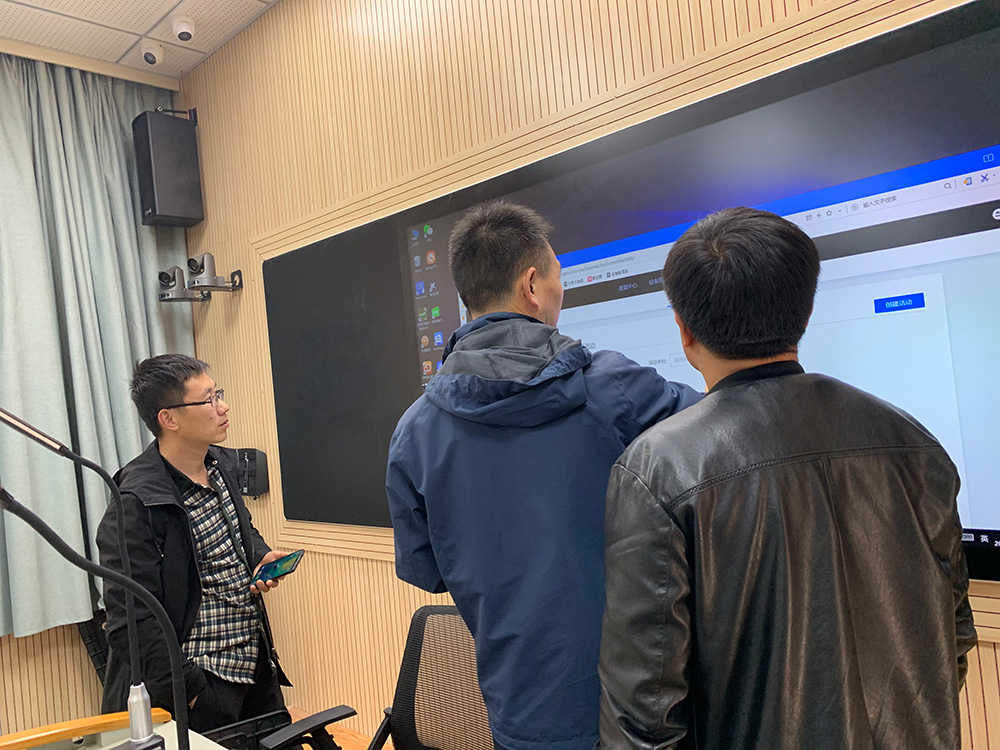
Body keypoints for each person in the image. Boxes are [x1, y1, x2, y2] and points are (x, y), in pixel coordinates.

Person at [598, 207, 977, 750]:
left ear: (683, 328)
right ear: (806, 311)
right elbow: (953, 635)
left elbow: (642, 721)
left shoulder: (657, 470)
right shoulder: (915, 442)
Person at [386, 201, 701, 750]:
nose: (561, 291)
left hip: (520, 713)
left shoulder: (413, 432)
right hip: (639, 710)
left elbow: (429, 570)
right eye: (558, 277)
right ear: (532, 285)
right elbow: (726, 425)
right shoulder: (614, 387)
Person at [97, 354, 291, 733]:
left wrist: (258, 555)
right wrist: (190, 692)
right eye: (209, 399)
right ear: (169, 419)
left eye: (219, 394)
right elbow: (130, 622)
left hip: (255, 664)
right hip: (202, 683)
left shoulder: (218, 465)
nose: (223, 406)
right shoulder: (136, 502)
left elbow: (240, 528)